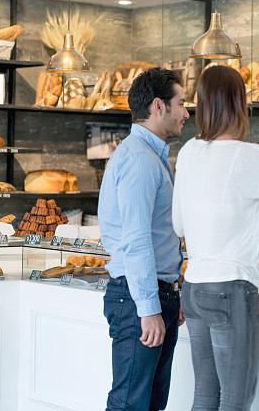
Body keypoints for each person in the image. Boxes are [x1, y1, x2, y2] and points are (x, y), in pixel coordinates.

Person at [172, 65, 259, 411]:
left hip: (194, 288)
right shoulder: (253, 157)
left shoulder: (188, 152)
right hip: (231, 290)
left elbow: (178, 226)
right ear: (239, 103)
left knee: (204, 395)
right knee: (235, 400)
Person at [98, 67, 189, 411]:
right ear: (158, 106)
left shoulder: (150, 156)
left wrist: (171, 292)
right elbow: (135, 241)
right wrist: (150, 308)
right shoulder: (140, 159)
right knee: (130, 405)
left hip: (153, 295)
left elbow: (157, 235)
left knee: (150, 404)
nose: (187, 112)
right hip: (139, 300)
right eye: (181, 103)